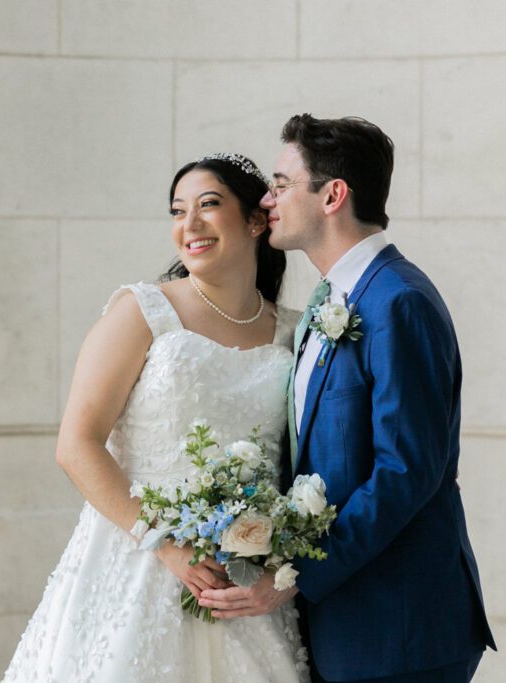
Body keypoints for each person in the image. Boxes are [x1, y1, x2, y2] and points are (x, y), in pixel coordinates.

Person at [197, 114, 497, 682]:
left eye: (283, 185)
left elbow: (405, 471)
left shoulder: (397, 301)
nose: (268, 198)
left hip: (399, 631)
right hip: (347, 627)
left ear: (333, 194)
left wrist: (291, 579)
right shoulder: (331, 298)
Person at [2, 153, 308, 682]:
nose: (189, 225)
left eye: (208, 205)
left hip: (244, 579)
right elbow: (77, 445)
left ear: (256, 220)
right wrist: (166, 544)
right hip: (137, 561)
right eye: (177, 210)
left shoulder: (294, 332)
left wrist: (282, 563)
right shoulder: (142, 312)